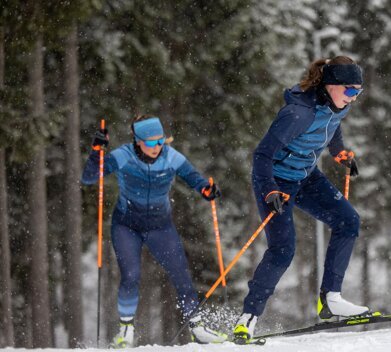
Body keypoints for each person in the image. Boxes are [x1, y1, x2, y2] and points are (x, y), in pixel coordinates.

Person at [233, 56, 368, 343]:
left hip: (306, 177)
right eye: (350, 90)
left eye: (358, 91)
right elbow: (262, 155)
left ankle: (330, 298)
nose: (354, 97)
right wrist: (269, 189)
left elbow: (333, 125)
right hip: (276, 181)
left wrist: (339, 152)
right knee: (283, 250)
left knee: (348, 221)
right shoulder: (297, 114)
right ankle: (248, 317)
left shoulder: (337, 104)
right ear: (330, 85)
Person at [81, 115, 226, 347]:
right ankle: (126, 329)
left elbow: (194, 179)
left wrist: (206, 190)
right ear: (138, 141)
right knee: (131, 276)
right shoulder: (123, 156)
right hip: (126, 225)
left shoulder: (172, 157)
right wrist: (97, 151)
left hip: (160, 226)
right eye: (150, 143)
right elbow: (89, 177)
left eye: (160, 141)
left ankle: (197, 327)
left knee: (181, 274)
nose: (157, 147)